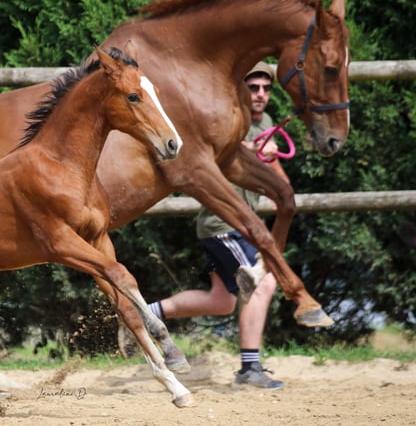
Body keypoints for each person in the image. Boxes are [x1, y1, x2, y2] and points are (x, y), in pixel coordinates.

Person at [119, 61, 289, 390]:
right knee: (263, 285)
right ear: (241, 89)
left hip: (241, 227)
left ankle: (146, 313)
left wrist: (273, 161)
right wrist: (253, 151)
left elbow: (278, 183)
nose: (260, 94)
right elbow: (216, 158)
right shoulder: (228, 120)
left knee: (221, 300)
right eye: (253, 87)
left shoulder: (266, 122)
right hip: (221, 225)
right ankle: (250, 369)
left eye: (266, 89)